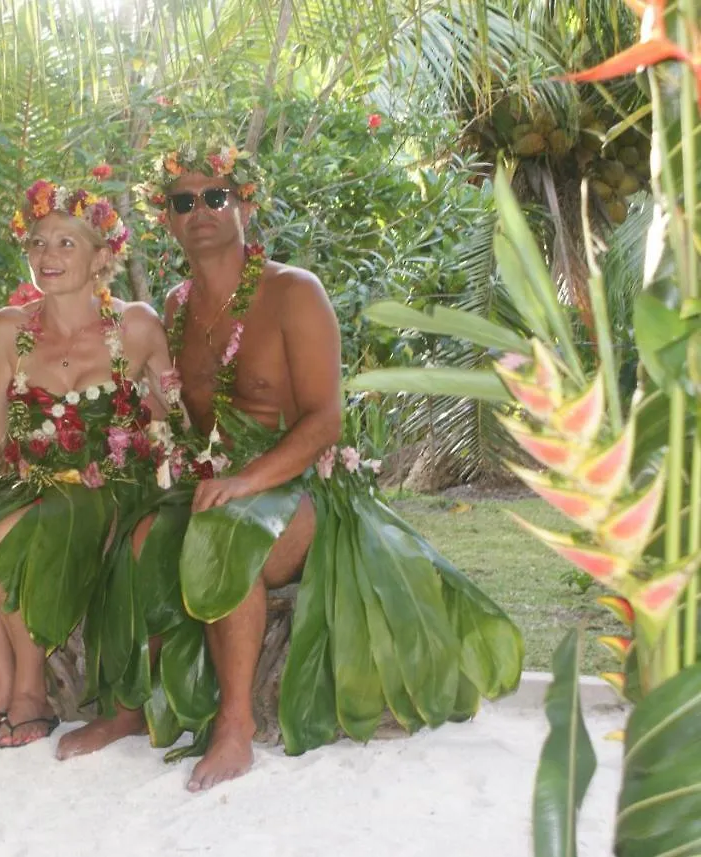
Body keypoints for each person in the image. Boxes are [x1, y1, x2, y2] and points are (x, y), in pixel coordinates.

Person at [57, 143, 524, 790]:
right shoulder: (173, 306)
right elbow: (175, 411)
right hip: (216, 480)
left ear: (246, 202)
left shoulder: (294, 293)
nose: (200, 211)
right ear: (165, 218)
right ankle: (130, 707)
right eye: (183, 201)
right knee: (138, 537)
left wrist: (247, 480)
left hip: (306, 490)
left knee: (229, 536)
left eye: (216, 195)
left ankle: (236, 724)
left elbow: (324, 419)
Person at [0, 179, 174, 749]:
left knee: (5, 529)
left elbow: (175, 416)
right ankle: (3, 683)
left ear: (101, 256)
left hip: (112, 488)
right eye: (39, 243)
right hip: (34, 484)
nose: (48, 256)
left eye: (66, 244)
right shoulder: (10, 329)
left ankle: (29, 691)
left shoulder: (137, 326)